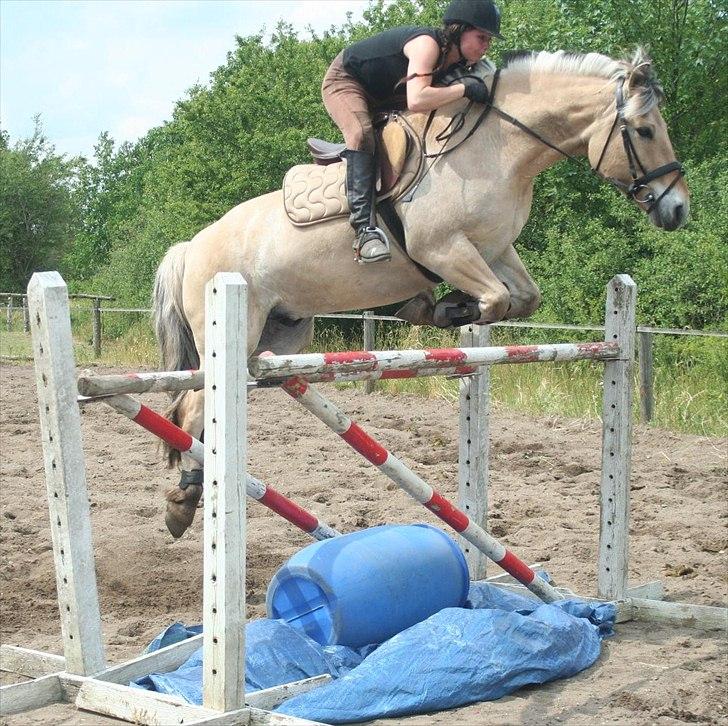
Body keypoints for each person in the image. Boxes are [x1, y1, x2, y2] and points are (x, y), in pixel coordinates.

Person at [321, 0, 504, 264]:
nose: (487, 45)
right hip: (348, 82)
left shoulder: (460, 64)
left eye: (488, 40)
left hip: (390, 95)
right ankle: (364, 231)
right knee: (361, 134)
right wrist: (464, 89)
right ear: (459, 30)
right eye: (481, 37)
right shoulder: (426, 44)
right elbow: (417, 99)